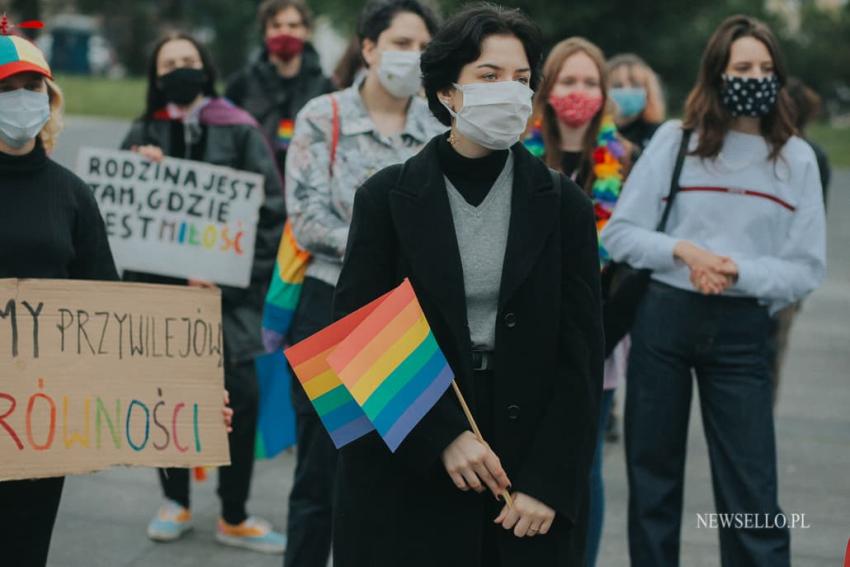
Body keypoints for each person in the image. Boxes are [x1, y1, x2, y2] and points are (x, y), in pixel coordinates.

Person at [331, 4, 604, 566]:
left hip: (523, 459)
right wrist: (443, 436)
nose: (509, 91)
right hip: (411, 445)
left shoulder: (564, 206)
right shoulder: (386, 197)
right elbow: (354, 333)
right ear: (448, 93)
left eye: (522, 79)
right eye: (489, 76)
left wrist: (548, 482)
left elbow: (581, 357)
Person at [601, 15, 826, 567]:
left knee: (751, 490)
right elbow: (623, 234)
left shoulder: (795, 158)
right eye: (743, 67)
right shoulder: (677, 142)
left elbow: (805, 267)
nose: (756, 77)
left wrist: (734, 273)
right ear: (717, 72)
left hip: (743, 329)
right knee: (653, 483)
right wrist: (684, 252)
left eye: (767, 68)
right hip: (665, 319)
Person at [282, 1, 442, 565]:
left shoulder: (440, 127)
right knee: (321, 474)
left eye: (423, 44)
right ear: (368, 47)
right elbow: (307, 221)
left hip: (412, 319)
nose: (411, 56)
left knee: (404, 466)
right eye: (399, 42)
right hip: (333, 308)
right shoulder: (320, 118)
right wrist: (383, 247)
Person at [120, 32, 287, 554]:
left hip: (228, 299)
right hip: (165, 299)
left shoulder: (240, 131)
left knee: (241, 398)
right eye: (169, 63)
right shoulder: (144, 129)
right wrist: (137, 170)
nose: (180, 69)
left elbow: (271, 214)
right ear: (156, 75)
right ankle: (175, 500)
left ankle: (233, 513)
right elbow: (123, 215)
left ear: (206, 67)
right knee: (168, 395)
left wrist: (236, 279)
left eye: (189, 60)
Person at [0, 31, 119, 567]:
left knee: (25, 547)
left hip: (37, 418)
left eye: (34, 87)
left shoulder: (72, 194)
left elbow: (107, 306)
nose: (24, 99)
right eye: (8, 88)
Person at [523, 36, 630, 567]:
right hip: (528, 333)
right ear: (546, 90)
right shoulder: (518, 156)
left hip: (598, 339)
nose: (578, 92)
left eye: (590, 82)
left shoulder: (623, 162)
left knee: (583, 464)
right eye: (568, 81)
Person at [765, 76, 832, 405]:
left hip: (778, 265)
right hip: (784, 268)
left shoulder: (806, 157)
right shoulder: (813, 154)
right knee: (773, 354)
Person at [225, 0, 334, 174]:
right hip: (254, 180)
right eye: (276, 25)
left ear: (306, 31)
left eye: (293, 25)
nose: (285, 32)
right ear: (264, 33)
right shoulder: (240, 85)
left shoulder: (325, 87)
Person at [606, 53, 666, 151]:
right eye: (618, 85)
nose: (627, 90)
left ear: (649, 90)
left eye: (635, 85)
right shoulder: (595, 133)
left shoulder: (660, 135)